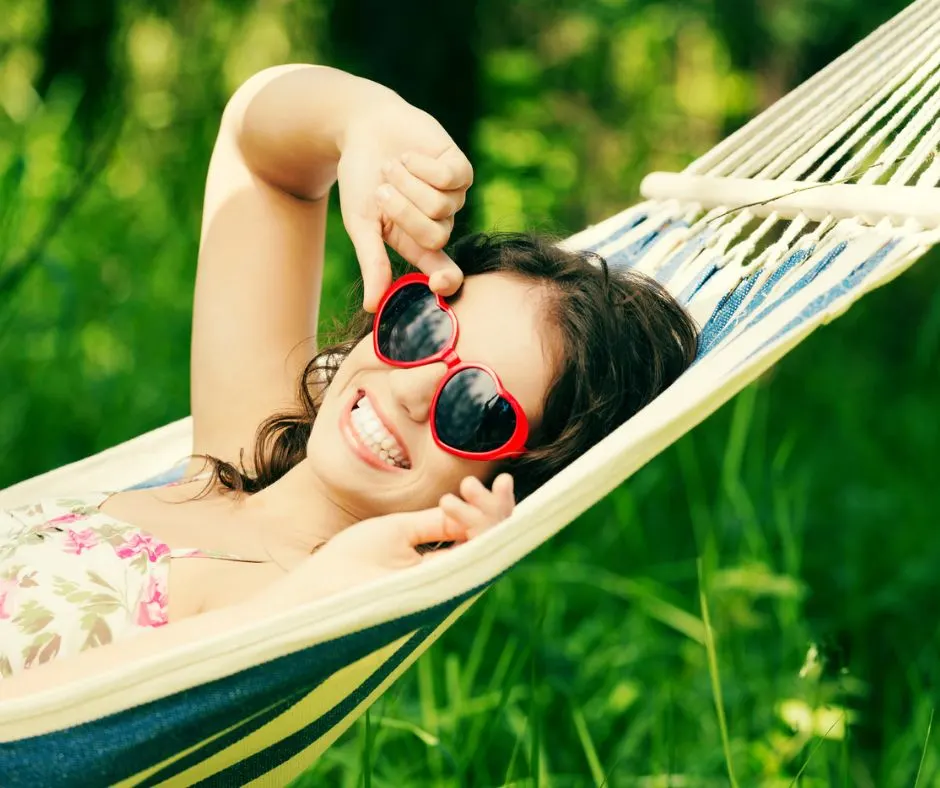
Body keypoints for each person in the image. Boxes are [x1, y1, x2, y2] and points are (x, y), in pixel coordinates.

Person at [0, 65, 698, 699]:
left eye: (478, 406)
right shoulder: (233, 460)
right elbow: (260, 155)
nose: (416, 389)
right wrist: (367, 117)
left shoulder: (292, 615)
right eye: (424, 327)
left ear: (513, 479)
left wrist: (311, 605)